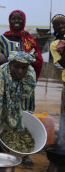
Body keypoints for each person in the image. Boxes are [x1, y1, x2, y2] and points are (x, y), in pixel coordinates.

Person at [0, 51, 36, 167]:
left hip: (15, 98)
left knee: (18, 116)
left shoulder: (30, 75)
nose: (20, 71)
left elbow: (24, 97)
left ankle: (23, 154)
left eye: (24, 68)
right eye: (16, 67)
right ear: (10, 64)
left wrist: (14, 107)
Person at [0, 10, 43, 81]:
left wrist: (25, 65)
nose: (16, 21)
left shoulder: (30, 40)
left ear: (23, 21)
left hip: (25, 79)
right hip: (5, 79)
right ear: (9, 21)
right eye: (13, 19)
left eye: (19, 19)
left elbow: (38, 60)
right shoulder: (3, 39)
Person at [50, 14, 65, 146]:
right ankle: (62, 144)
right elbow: (63, 63)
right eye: (57, 25)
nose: (61, 26)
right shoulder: (55, 44)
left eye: (63, 23)